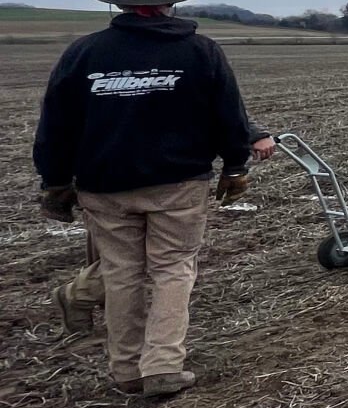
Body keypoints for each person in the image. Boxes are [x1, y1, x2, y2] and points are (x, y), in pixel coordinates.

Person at [34, 0, 259, 397]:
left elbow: (56, 125)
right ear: (170, 2)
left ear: (118, 3)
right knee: (174, 269)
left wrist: (56, 181)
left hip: (103, 184)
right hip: (178, 183)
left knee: (122, 273)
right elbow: (229, 115)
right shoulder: (200, 51)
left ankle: (125, 370)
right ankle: (162, 365)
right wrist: (235, 166)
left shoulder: (84, 53)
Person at [52, 125, 277, 336]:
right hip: (117, 175)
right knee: (142, 259)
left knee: (150, 257)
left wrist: (251, 134)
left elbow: (206, 99)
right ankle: (82, 297)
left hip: (162, 173)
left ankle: (85, 299)